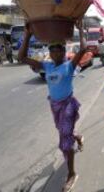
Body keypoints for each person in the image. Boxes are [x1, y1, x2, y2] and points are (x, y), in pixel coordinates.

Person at [18, 20, 86, 192]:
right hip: (55, 106)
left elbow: (83, 50)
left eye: (59, 49)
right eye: (52, 49)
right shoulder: (46, 66)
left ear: (64, 51)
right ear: (49, 52)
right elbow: (21, 58)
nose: (56, 52)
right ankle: (77, 137)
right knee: (64, 131)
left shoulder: (69, 66)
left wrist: (81, 30)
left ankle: (71, 174)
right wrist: (27, 35)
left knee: (64, 140)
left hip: (68, 106)